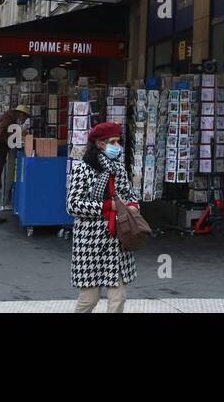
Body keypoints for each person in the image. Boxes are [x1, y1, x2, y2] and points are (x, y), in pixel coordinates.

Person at [66, 122, 138, 313]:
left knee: (118, 299)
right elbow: (73, 205)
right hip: (91, 243)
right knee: (89, 299)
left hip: (118, 240)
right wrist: (108, 206)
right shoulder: (83, 169)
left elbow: (130, 196)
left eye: (118, 141)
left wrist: (132, 206)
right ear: (100, 143)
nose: (118, 146)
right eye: (113, 141)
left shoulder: (119, 169)